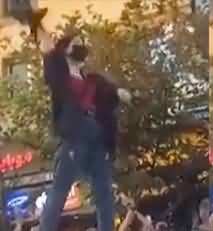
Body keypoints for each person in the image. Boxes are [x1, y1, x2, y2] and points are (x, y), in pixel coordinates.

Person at [20, 8, 132, 231]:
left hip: (97, 137)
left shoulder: (93, 79)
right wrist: (36, 24)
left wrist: (119, 93)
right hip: (75, 135)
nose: (81, 46)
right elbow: (48, 49)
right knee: (59, 192)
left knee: (104, 195)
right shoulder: (60, 74)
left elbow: (111, 93)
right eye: (76, 43)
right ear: (66, 50)